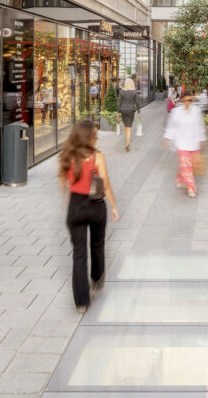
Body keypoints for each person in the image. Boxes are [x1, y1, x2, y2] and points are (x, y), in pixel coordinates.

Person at [58, 120, 119, 312]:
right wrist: (114, 206)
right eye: (94, 135)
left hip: (75, 206)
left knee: (79, 254)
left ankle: (82, 302)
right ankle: (97, 279)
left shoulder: (67, 156)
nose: (96, 137)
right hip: (95, 206)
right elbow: (106, 185)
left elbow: (64, 184)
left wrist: (67, 200)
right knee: (98, 244)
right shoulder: (96, 157)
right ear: (87, 137)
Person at [164, 92, 205, 198]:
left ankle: (180, 177)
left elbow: (200, 126)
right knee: (186, 166)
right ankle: (191, 188)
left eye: (190, 100)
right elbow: (171, 126)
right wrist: (167, 138)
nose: (188, 103)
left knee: (191, 166)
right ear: (182, 100)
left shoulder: (196, 111)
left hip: (193, 142)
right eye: (186, 100)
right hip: (182, 144)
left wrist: (201, 139)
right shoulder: (176, 112)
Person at [117, 77, 141, 152]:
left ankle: (126, 142)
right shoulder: (134, 92)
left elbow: (119, 103)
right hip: (131, 110)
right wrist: (139, 112)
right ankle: (128, 143)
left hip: (123, 110)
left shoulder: (122, 92)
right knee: (129, 127)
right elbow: (137, 103)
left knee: (125, 126)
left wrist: (118, 112)